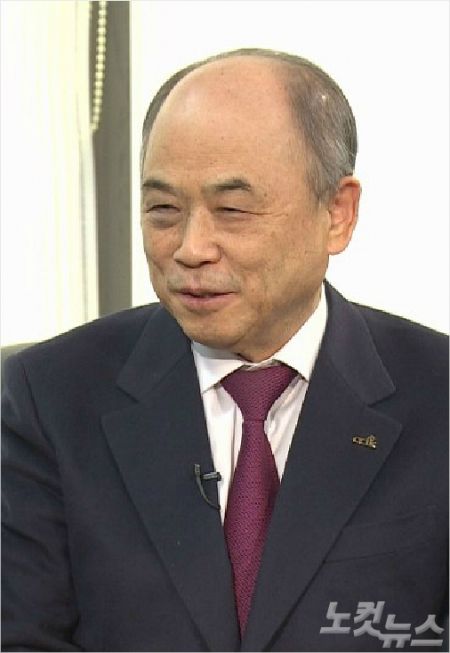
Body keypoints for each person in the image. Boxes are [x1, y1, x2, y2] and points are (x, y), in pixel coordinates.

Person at [2, 48, 448, 652]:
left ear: (337, 214)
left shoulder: (439, 396)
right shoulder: (48, 398)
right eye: (164, 209)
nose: (191, 248)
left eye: (232, 210)